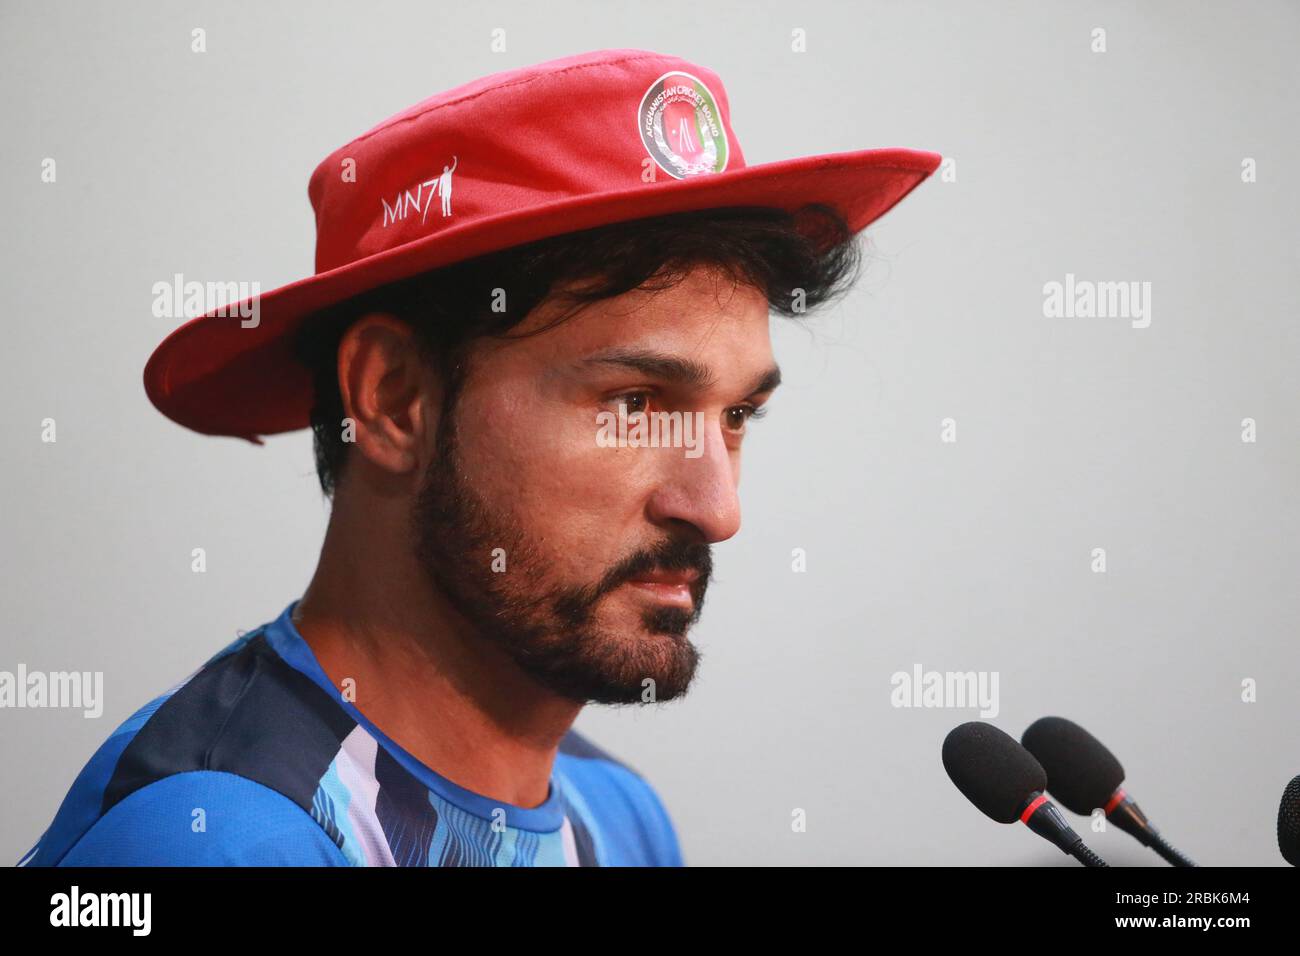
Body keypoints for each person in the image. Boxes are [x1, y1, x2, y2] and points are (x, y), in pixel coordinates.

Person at [20, 48, 938, 866]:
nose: (718, 508)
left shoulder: (619, 820)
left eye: (736, 415)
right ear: (392, 399)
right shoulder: (214, 839)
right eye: (636, 404)